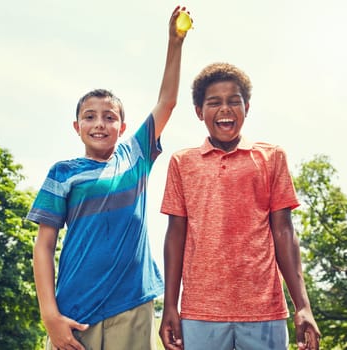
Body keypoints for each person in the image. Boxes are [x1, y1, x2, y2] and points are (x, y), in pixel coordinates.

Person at [27, 6, 190, 350]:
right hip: (74, 307)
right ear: (77, 127)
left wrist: (174, 43)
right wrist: (50, 315)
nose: (99, 123)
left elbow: (168, 101)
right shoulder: (63, 173)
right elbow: (43, 246)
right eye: (90, 116)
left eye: (109, 117)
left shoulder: (135, 156)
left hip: (132, 303)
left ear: (123, 127)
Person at [159, 62, 321, 350]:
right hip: (200, 311)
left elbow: (284, 233)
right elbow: (175, 236)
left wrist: (303, 306)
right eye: (214, 102)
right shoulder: (182, 163)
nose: (225, 109)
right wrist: (170, 304)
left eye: (234, 101)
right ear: (199, 112)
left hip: (264, 310)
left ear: (247, 107)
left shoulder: (272, 157)